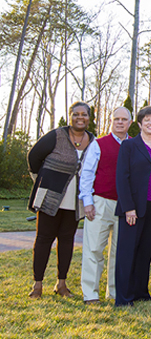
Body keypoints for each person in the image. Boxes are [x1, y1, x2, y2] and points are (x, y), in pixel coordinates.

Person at [27, 101, 95, 299]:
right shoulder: (56, 136)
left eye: (84, 114)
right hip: (51, 198)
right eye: (75, 114)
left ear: (89, 118)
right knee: (43, 240)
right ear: (70, 116)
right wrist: (40, 179)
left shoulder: (92, 140)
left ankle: (61, 284)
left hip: (75, 202)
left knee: (67, 242)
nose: (80, 118)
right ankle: (37, 285)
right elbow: (33, 156)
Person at [114, 106, 151, 307]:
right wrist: (128, 207)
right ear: (139, 124)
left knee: (145, 251)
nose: (150, 124)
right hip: (133, 208)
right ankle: (123, 297)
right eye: (146, 120)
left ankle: (140, 292)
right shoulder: (129, 146)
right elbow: (122, 178)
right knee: (127, 252)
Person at [78, 106, 131, 304]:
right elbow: (87, 174)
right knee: (94, 249)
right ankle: (90, 293)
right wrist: (88, 202)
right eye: (116, 118)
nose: (119, 122)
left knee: (119, 250)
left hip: (125, 206)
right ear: (111, 121)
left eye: (123, 119)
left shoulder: (133, 145)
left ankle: (115, 292)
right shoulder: (98, 144)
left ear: (130, 123)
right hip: (100, 202)